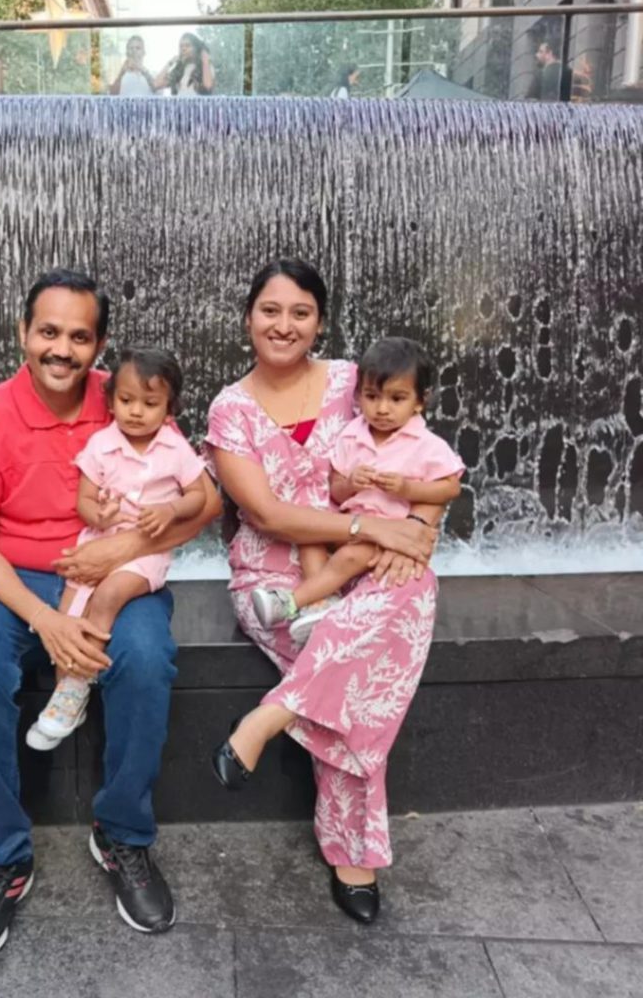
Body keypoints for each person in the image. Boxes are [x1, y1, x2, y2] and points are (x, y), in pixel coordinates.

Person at [0, 269, 221, 960]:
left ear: (98, 345)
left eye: (79, 336)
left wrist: (126, 546)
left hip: (116, 568)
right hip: (10, 579)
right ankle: (2, 861)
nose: (62, 349)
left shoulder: (129, 395)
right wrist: (48, 619)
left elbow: (206, 501)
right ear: (22, 334)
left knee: (147, 660)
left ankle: (122, 835)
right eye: (48, 332)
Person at [205, 258, 440, 927]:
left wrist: (420, 528)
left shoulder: (353, 384)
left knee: (409, 587)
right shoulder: (230, 410)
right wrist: (374, 526)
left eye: (300, 312)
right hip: (275, 580)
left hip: (361, 562)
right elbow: (271, 516)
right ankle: (352, 854)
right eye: (270, 311)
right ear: (249, 317)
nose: (284, 325)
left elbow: (422, 459)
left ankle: (268, 717)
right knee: (354, 669)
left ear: (321, 322)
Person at [26, 345, 208, 750]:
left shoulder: (175, 448)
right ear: (111, 402)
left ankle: (81, 680)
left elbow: (199, 497)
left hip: (146, 553)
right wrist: (100, 515)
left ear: (169, 407)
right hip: (98, 541)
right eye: (126, 401)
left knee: (108, 595)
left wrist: (170, 509)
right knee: (68, 612)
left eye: (149, 403)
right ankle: (64, 700)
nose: (136, 412)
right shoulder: (100, 445)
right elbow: (84, 501)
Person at [250, 336, 464, 644]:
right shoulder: (352, 434)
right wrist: (350, 484)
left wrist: (408, 488)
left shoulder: (427, 445)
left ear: (420, 401)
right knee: (309, 539)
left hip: (387, 536)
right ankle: (324, 602)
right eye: (372, 396)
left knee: (350, 557)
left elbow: (450, 488)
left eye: (397, 399)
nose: (382, 408)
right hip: (351, 524)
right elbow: (336, 491)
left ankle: (288, 603)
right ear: (358, 395)